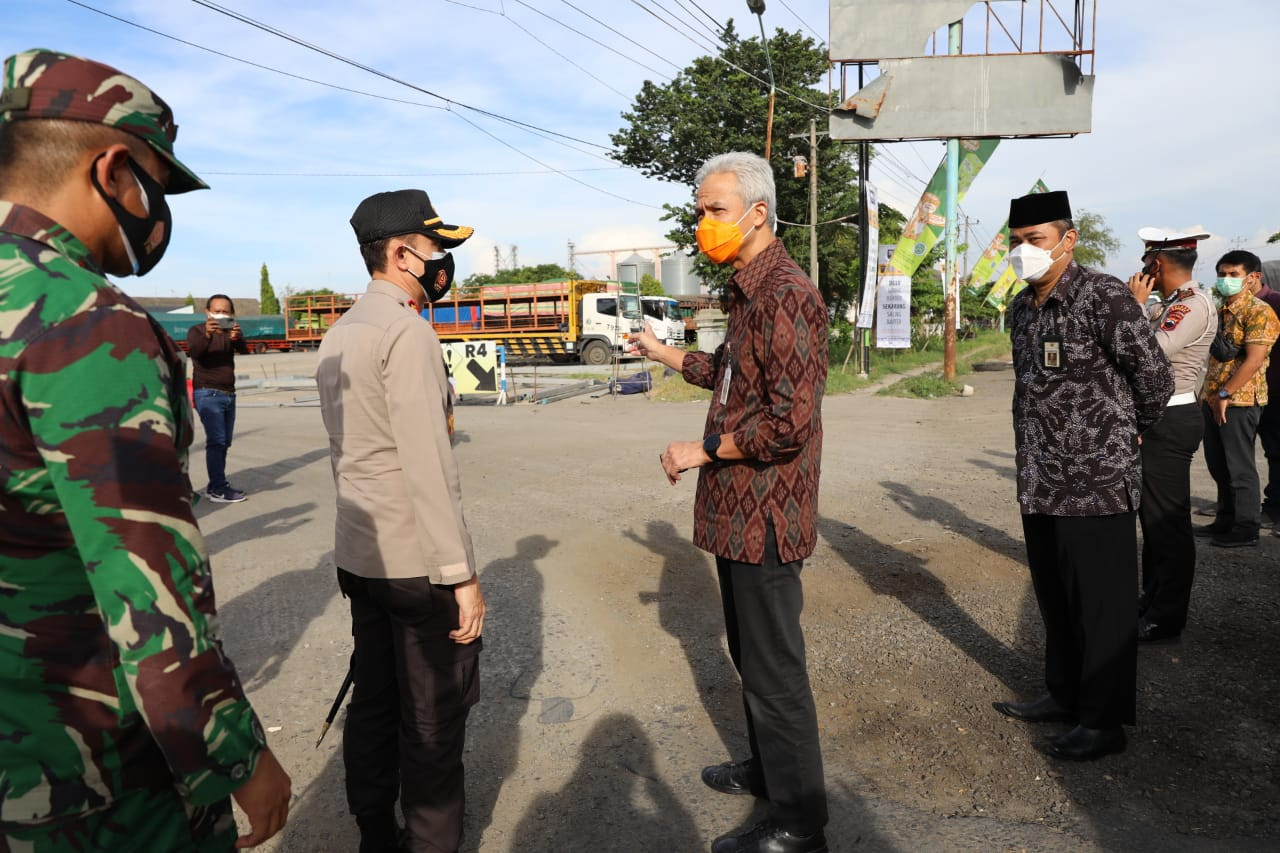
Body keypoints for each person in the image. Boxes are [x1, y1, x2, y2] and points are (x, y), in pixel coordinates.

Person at [0, 48, 290, 849]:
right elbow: (146, 587)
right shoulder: (83, 322)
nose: (158, 209)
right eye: (157, 183)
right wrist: (234, 758)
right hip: (81, 781)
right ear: (113, 170)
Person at [632, 152, 829, 853]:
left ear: (757, 212)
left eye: (714, 210)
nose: (702, 223)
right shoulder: (748, 291)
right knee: (752, 656)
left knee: (776, 671)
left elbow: (787, 424)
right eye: (701, 209)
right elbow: (731, 376)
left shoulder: (786, 293)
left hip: (768, 515)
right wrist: (663, 354)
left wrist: (702, 450)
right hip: (738, 517)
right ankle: (769, 770)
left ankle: (801, 822)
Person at [316, 189, 485, 853]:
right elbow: (427, 466)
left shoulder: (341, 331)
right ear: (401, 253)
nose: (443, 260)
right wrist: (461, 574)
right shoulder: (407, 331)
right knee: (434, 719)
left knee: (376, 701)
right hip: (417, 563)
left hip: (361, 555)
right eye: (437, 247)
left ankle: (372, 832)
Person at [992, 190, 1173, 761]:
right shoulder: (1021, 308)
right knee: (1057, 597)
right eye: (1016, 242)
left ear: (1067, 241)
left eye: (1036, 240)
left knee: (1102, 605)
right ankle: (1063, 693)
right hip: (1040, 478)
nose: (1025, 251)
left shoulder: (1103, 297)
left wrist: (1123, 435)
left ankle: (1103, 721)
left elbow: (1155, 379)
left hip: (1096, 481)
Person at [1126, 229, 1217, 642]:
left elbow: (1152, 350)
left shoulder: (1192, 305)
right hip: (1160, 415)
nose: (1144, 271)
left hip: (1173, 416)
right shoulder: (1175, 304)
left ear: (1157, 264)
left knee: (1167, 523)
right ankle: (1152, 601)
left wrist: (1134, 307)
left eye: (1148, 264)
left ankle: (1166, 618)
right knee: (1153, 519)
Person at [1193, 250, 1279, 547]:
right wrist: (1210, 396)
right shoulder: (1222, 310)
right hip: (1214, 397)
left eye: (1233, 274)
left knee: (1240, 466)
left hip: (1239, 400)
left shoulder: (1259, 311)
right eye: (1222, 274)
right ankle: (1225, 519)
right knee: (1218, 464)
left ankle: (1246, 527)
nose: (1225, 280)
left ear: (1253, 277)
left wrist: (1226, 394)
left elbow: (1254, 360)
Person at [189, 293, 249, 502]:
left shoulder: (228, 333)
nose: (221, 315)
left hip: (228, 394)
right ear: (207, 312)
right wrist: (207, 334)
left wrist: (238, 338)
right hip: (207, 392)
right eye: (217, 311)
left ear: (232, 314)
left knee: (225, 442)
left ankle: (217, 483)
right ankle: (217, 488)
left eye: (226, 311)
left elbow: (245, 352)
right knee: (216, 441)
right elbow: (195, 353)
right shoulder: (197, 331)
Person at [1254, 260, 1280, 531]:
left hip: (1274, 390)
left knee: (1275, 452)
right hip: (1258, 392)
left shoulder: (1274, 303)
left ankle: (1274, 508)